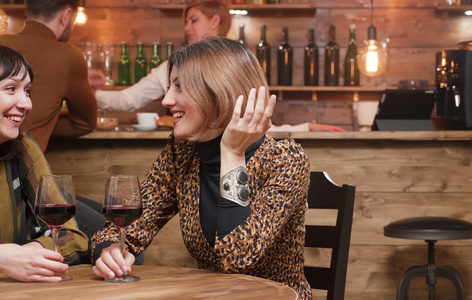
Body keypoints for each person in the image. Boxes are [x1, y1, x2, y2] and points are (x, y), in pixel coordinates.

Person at [91, 37, 313, 299]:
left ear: (219, 95)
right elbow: (128, 228)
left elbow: (237, 257)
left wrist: (231, 152)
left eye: (180, 87)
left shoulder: (285, 159)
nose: (166, 100)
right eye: (169, 87)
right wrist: (108, 250)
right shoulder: (182, 153)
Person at [95, 0, 344, 133]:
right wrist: (82, 90)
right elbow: (125, 101)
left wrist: (305, 127)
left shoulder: (238, 65)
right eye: (185, 22)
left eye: (193, 20)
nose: (187, 28)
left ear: (216, 21)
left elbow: (258, 124)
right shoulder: (176, 65)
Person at [0, 45, 88, 282]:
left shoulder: (22, 147)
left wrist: (31, 252)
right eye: (11, 89)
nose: (26, 104)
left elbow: (72, 236)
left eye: (27, 91)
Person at [0, 0, 100, 152]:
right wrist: (42, 125)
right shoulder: (68, 56)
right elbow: (85, 123)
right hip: (24, 170)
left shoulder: (3, 43)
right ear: (66, 16)